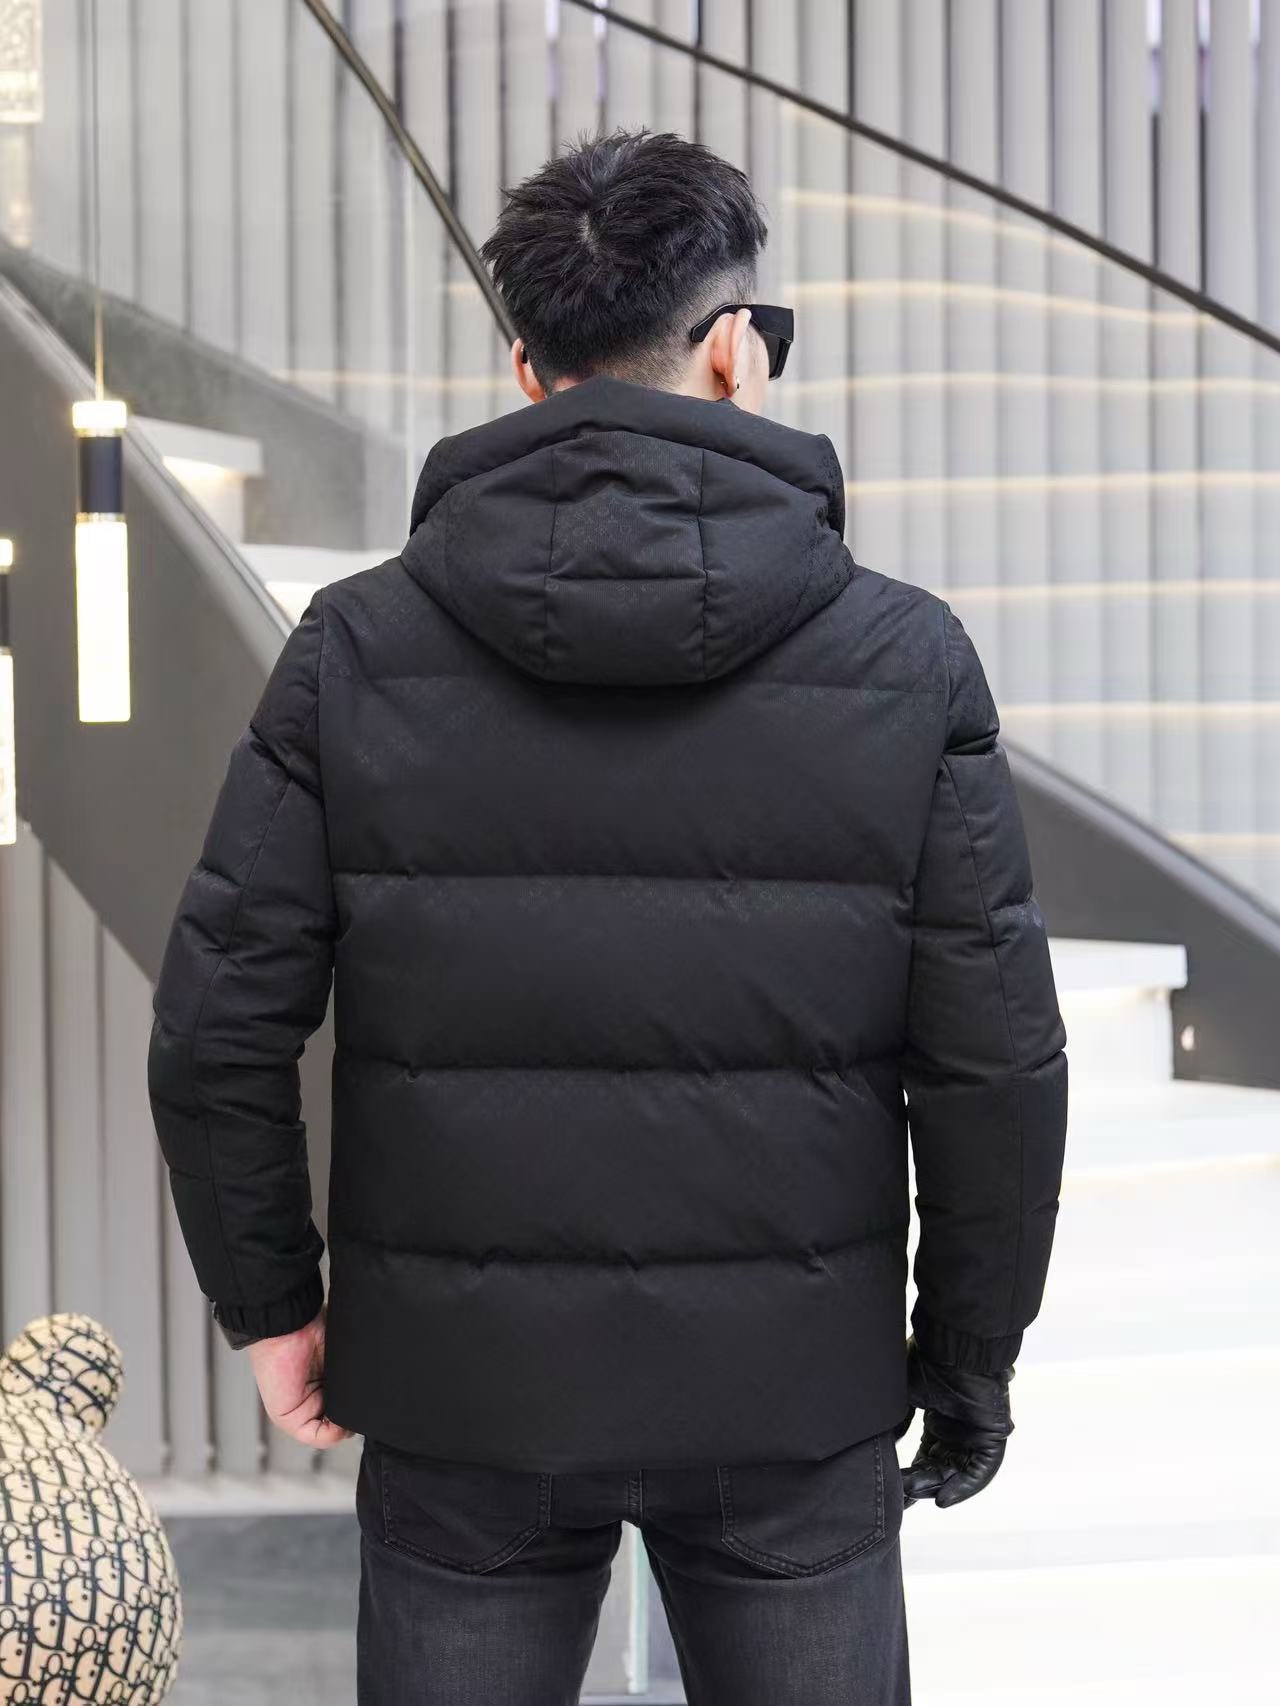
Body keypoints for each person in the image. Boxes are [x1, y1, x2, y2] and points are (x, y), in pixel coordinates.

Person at [149, 129, 1067, 1706]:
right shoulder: (907, 659)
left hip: (464, 1402)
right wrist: (969, 1358)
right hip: (794, 1403)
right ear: (733, 350)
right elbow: (996, 1066)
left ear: (526, 370)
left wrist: (274, 1308)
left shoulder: (352, 652)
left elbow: (215, 1029)